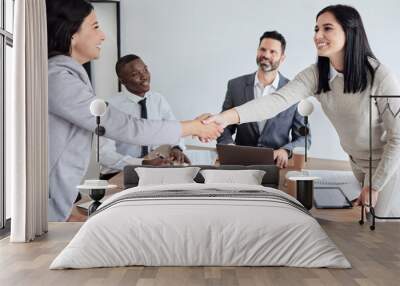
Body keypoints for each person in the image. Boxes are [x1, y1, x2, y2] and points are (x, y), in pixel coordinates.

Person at [204, 4, 400, 217]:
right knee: (364, 228)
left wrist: (375, 186)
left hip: (389, 167)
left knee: (381, 231)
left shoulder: (380, 76)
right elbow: (275, 101)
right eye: (316, 29)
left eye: (327, 28)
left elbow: (397, 138)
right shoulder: (317, 74)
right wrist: (224, 118)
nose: (318, 35)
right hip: (357, 164)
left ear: (350, 31)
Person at [46, 0, 222, 221]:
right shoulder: (58, 78)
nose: (103, 36)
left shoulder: (66, 77)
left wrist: (68, 207)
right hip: (60, 199)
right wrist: (194, 127)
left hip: (62, 200)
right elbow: (127, 128)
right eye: (95, 26)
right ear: (73, 33)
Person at [217, 31, 311, 168]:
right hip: (240, 164)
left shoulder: (294, 91)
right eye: (263, 49)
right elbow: (223, 125)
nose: (266, 55)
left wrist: (286, 150)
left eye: (273, 52)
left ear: (282, 58)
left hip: (275, 166)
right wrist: (228, 146)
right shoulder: (235, 85)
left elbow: (304, 137)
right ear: (257, 51)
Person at [99, 54, 190, 179]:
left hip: (152, 169)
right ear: (122, 81)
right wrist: (142, 163)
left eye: (145, 70)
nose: (144, 76)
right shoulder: (109, 107)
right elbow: (104, 155)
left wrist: (177, 147)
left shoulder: (157, 99)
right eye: (135, 74)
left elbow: (174, 127)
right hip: (119, 174)